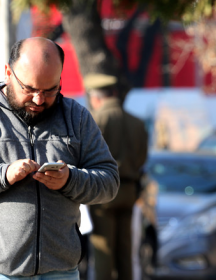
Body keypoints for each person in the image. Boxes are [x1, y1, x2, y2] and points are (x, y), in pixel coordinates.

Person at [0, 37, 119, 279]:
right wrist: (5, 175)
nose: (38, 100)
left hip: (63, 271)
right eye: (29, 89)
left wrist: (70, 180)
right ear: (8, 73)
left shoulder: (77, 117)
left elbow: (109, 182)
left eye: (50, 90)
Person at [84, 73, 148, 280]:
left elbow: (85, 158)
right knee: (125, 251)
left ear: (96, 98)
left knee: (103, 249)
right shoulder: (137, 122)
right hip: (129, 191)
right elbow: (142, 158)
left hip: (102, 193)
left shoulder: (95, 120)